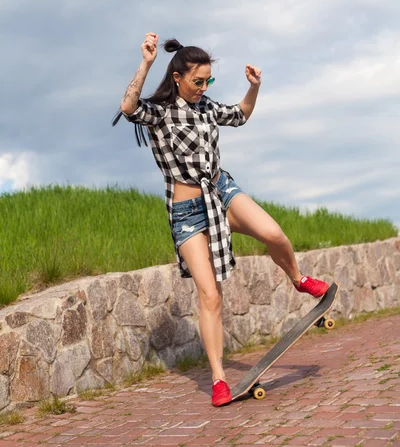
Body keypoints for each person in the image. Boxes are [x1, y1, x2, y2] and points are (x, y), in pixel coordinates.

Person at [112, 32, 329, 407]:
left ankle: (299, 279)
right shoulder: (160, 112)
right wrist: (145, 63)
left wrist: (254, 88)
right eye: (198, 81)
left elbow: (241, 114)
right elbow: (129, 107)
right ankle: (218, 380)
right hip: (187, 214)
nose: (204, 87)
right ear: (178, 77)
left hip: (221, 191)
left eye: (208, 80)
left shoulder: (208, 107)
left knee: (273, 233)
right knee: (210, 295)